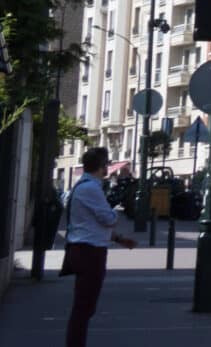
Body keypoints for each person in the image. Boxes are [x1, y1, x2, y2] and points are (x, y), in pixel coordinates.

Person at [63, 148, 137, 347]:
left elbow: (91, 224)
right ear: (101, 166)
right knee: (84, 307)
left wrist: (120, 240)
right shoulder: (91, 188)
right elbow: (107, 218)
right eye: (107, 163)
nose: (108, 167)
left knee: (84, 306)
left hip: (84, 248)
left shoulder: (85, 186)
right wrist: (114, 214)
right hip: (89, 252)